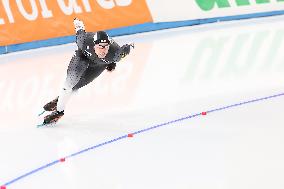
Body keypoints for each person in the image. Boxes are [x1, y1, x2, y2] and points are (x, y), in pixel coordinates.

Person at [41, 18, 134, 125]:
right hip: (82, 56)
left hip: (100, 64)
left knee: (76, 86)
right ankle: (59, 112)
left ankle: (60, 99)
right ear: (94, 45)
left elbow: (129, 47)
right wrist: (78, 22)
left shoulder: (116, 54)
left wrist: (112, 62)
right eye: (100, 47)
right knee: (69, 84)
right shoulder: (83, 41)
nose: (103, 50)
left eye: (106, 47)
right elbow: (79, 27)